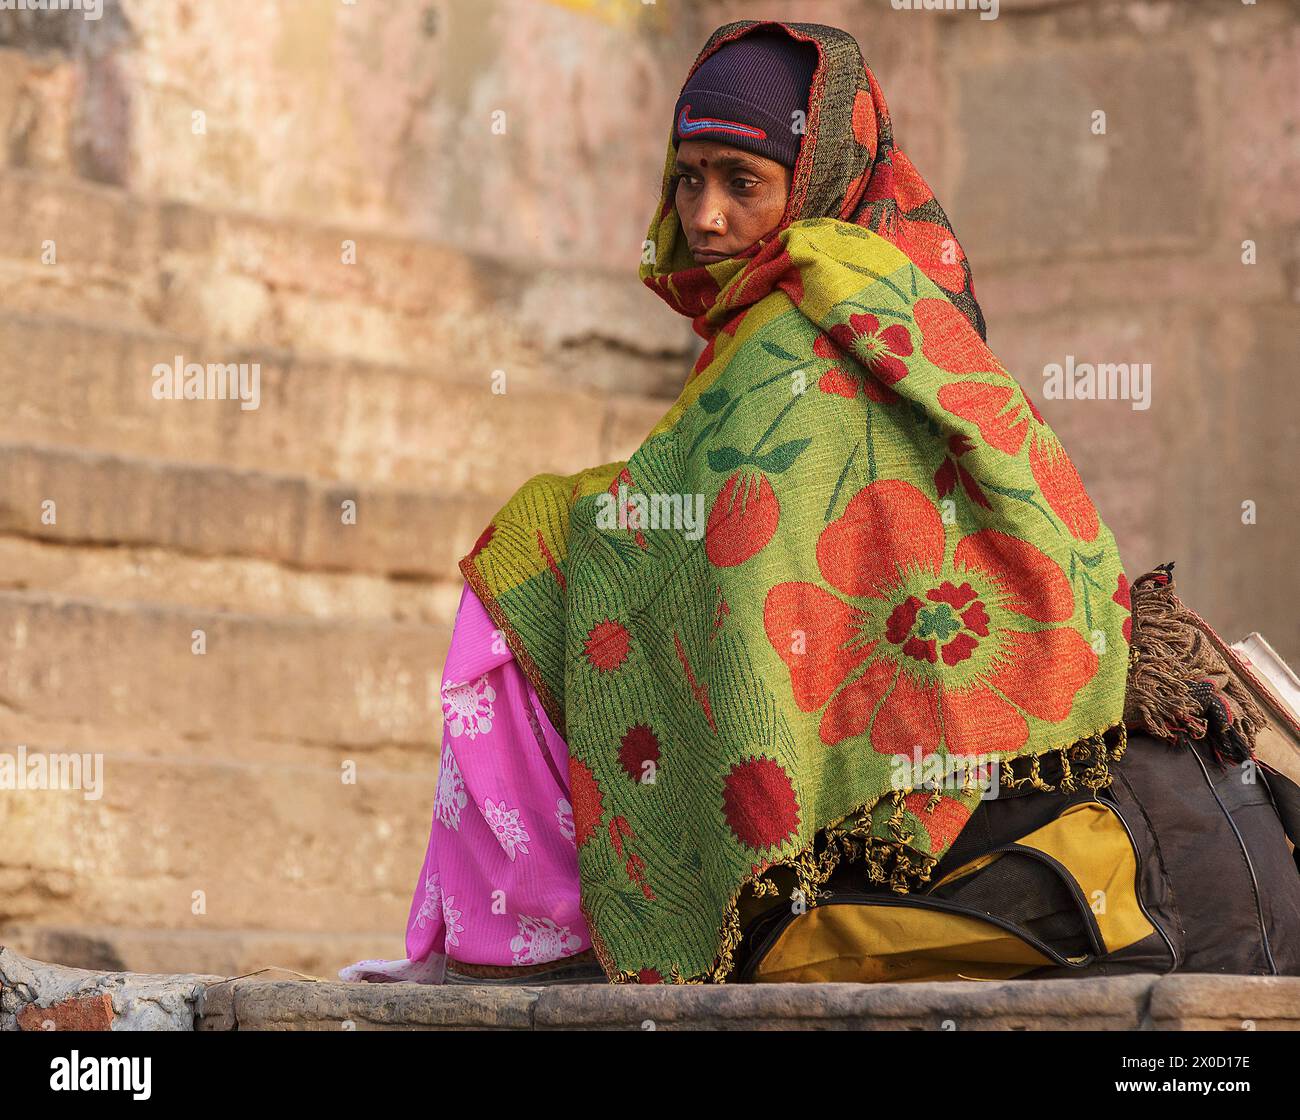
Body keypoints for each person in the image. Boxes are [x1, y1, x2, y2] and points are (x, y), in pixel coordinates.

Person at [341, 19, 1134, 987]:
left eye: (741, 182)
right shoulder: (851, 282)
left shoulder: (811, 300)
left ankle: (533, 932)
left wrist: (551, 530)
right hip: (904, 648)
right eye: (688, 176)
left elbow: (728, 518)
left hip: (931, 679)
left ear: (810, 180)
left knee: (522, 560)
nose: (705, 214)